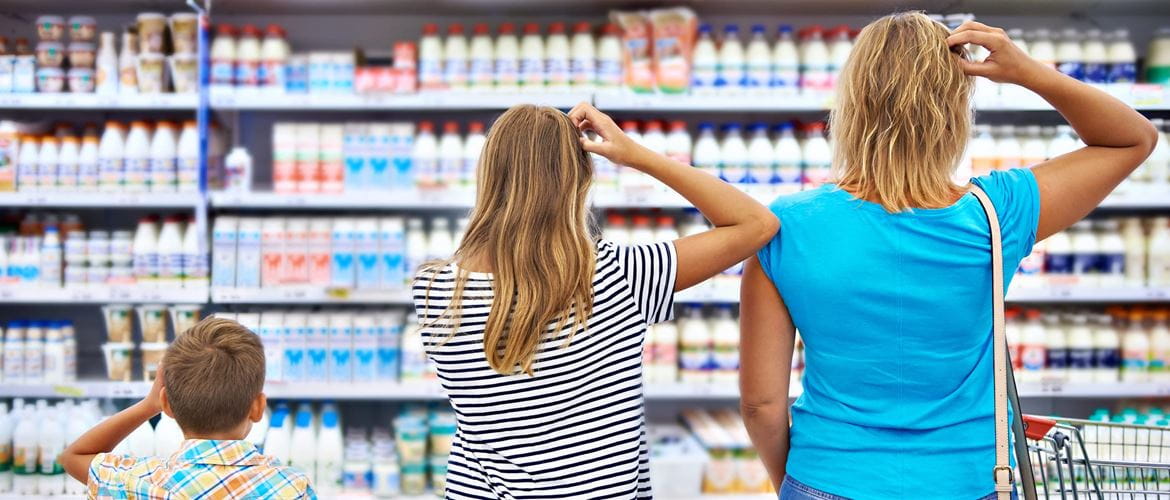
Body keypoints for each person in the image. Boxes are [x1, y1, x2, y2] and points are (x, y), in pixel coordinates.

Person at [738, 12, 1158, 500]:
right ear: (956, 106)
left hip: (829, 475)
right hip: (969, 481)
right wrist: (1028, 71)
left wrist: (800, 482)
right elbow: (1133, 138)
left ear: (851, 103)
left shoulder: (786, 225)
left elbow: (761, 405)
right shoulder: (999, 212)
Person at [413, 103, 778, 498]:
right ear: (579, 182)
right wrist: (635, 155)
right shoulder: (621, 276)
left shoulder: (434, 289)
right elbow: (756, 223)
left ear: (486, 175)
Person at [61, 317, 316, 499]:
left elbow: (74, 457)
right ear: (258, 407)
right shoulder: (290, 487)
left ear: (166, 405)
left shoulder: (137, 482)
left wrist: (147, 406)